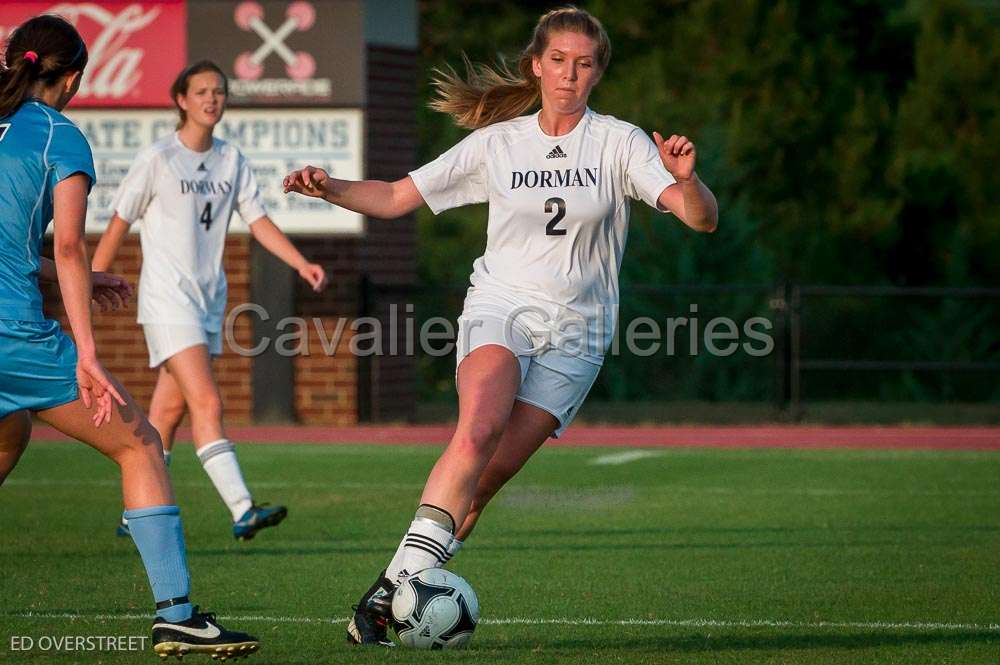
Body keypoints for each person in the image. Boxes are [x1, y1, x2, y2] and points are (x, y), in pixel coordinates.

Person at [285, 6, 718, 646]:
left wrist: (689, 181)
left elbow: (699, 217)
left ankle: (392, 585)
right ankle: (391, 602)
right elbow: (397, 197)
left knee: (482, 484)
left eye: (585, 63)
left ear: (598, 72)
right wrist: (330, 188)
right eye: (559, 61)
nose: (570, 74)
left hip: (580, 334)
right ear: (536, 65)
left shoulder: (621, 142)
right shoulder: (498, 143)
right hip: (501, 306)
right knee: (478, 427)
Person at [0, 14, 260, 659]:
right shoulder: (60, 134)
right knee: (141, 443)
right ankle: (177, 615)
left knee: (9, 438)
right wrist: (87, 352)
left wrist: (83, 277)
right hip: (14, 336)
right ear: (77, 78)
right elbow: (65, 244)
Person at [93, 60, 328, 541]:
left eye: (219, 91)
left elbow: (258, 221)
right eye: (202, 91)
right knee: (207, 400)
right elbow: (119, 221)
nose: (212, 99)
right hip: (167, 300)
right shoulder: (158, 158)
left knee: (166, 412)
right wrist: (94, 278)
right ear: (181, 100)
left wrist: (300, 262)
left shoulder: (231, 159)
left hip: (207, 301)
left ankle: (133, 511)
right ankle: (243, 509)